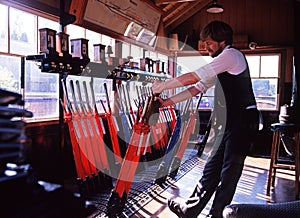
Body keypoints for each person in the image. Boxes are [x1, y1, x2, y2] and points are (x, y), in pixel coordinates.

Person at [151, 20, 259, 218]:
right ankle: (190, 210)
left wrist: (162, 86)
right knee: (212, 167)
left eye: (209, 42)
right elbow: (196, 88)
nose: (205, 46)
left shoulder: (231, 55)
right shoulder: (219, 64)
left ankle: (216, 214)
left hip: (244, 120)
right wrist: (165, 102)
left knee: (229, 171)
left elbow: (193, 77)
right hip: (230, 120)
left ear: (222, 41)